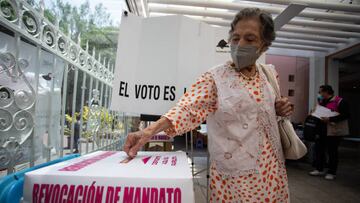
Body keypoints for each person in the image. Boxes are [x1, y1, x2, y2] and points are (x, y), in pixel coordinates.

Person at [124, 8, 293, 202]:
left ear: (264, 44)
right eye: (236, 38)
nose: (240, 45)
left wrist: (279, 109)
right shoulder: (216, 78)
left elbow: (266, 111)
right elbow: (186, 109)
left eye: (250, 39)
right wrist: (147, 132)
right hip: (236, 179)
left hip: (273, 173)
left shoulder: (269, 74)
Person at [309, 85, 350, 180]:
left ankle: (332, 172)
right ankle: (319, 169)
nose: (319, 94)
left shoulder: (340, 101)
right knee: (319, 150)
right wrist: (313, 113)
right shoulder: (322, 102)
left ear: (326, 92)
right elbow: (319, 114)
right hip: (321, 131)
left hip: (333, 131)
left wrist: (330, 119)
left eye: (320, 92)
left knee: (332, 152)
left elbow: (346, 115)